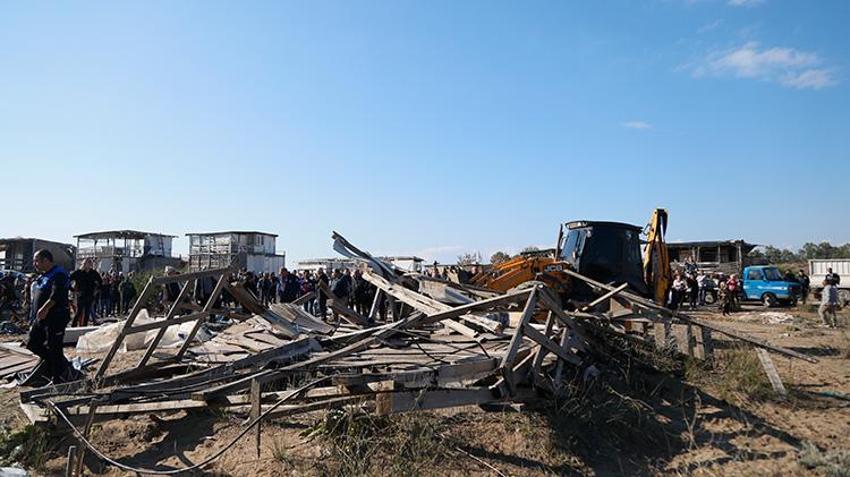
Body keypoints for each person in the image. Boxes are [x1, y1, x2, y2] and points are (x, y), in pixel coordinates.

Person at [26, 249, 74, 383]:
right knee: (32, 343)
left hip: (55, 318)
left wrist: (44, 308)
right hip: (41, 318)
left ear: (46, 260)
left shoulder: (59, 274)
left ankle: (57, 378)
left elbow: (56, 295)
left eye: (37, 261)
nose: (35, 264)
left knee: (55, 347)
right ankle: (58, 364)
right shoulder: (43, 275)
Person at [70, 258, 102, 326]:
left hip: (90, 295)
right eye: (87, 262)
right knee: (79, 312)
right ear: (83, 264)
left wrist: (96, 290)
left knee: (87, 313)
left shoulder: (93, 273)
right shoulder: (78, 273)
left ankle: (84, 326)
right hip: (81, 295)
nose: (89, 264)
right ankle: (73, 326)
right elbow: (68, 280)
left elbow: (100, 282)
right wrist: (73, 290)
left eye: (90, 263)